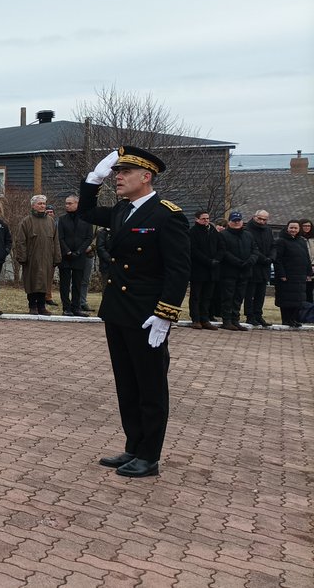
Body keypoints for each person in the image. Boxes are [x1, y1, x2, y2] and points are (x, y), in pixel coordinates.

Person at [78, 146, 190, 479]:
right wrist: (91, 181)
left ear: (146, 177)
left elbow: (178, 270)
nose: (118, 178)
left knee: (151, 386)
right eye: (115, 173)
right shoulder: (121, 211)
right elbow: (85, 212)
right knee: (127, 384)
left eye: (124, 173)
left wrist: (165, 313)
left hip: (147, 315)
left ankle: (149, 456)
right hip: (118, 311)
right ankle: (133, 446)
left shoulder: (167, 215)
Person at [15, 195, 60, 315]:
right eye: (39, 204)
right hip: (31, 259)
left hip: (47, 258)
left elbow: (56, 241)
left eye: (44, 204)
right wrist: (22, 257)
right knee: (32, 282)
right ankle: (32, 306)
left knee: (44, 283)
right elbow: (20, 241)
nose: (42, 206)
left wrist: (57, 257)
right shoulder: (26, 221)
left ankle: (42, 306)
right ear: (33, 205)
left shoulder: (51, 221)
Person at [219, 211, 258, 331]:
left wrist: (250, 261)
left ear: (242, 221)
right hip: (229, 271)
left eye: (238, 221)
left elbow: (255, 250)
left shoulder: (248, 235)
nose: (236, 223)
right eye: (234, 221)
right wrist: (238, 262)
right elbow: (224, 252)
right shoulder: (223, 235)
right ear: (229, 222)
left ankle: (235, 320)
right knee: (228, 297)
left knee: (239, 297)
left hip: (245, 271)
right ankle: (226, 320)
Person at [57, 194, 94, 316]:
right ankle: (66, 308)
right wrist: (67, 251)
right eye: (66, 203)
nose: (67, 205)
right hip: (65, 256)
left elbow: (89, 237)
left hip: (80, 256)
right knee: (65, 284)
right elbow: (60, 237)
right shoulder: (62, 219)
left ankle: (76, 307)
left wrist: (79, 251)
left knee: (78, 283)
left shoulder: (86, 219)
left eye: (70, 203)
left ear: (77, 204)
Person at [187, 210, 223, 330]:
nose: (206, 220)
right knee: (196, 296)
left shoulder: (213, 231)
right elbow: (194, 250)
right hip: (199, 269)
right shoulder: (193, 232)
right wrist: (208, 261)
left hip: (212, 270)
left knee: (207, 296)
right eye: (203, 219)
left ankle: (205, 319)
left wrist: (217, 259)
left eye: (207, 218)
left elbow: (221, 247)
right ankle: (196, 319)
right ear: (197, 219)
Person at [273, 220, 311, 328]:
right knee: (286, 299)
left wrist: (309, 272)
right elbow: (278, 259)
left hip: (299, 276)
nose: (293, 230)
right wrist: (282, 274)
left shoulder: (301, 241)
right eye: (291, 228)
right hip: (287, 275)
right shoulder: (281, 241)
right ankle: (286, 320)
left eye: (295, 228)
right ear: (287, 228)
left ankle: (293, 319)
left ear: (299, 229)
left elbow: (306, 258)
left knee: (298, 300)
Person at [245, 210, 276, 327]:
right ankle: (250, 316)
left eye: (264, 219)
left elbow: (273, 245)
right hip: (254, 266)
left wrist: (272, 257)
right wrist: (263, 259)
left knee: (261, 294)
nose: (262, 221)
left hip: (265, 267)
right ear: (254, 217)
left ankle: (258, 315)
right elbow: (252, 248)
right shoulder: (248, 230)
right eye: (260, 219)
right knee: (250, 293)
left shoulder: (268, 230)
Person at [302, 219, 314, 303]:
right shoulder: (298, 238)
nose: (307, 228)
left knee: (310, 292)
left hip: (313, 268)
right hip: (302, 268)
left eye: (308, 226)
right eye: (304, 226)